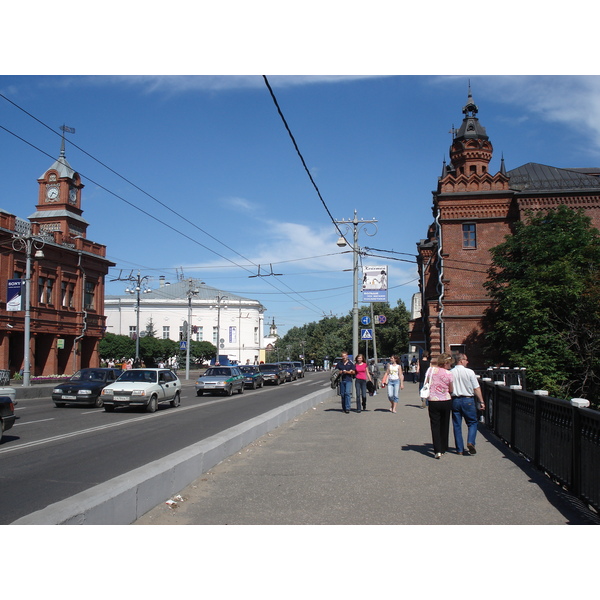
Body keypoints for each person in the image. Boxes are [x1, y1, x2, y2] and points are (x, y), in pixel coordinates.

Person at [451, 353, 485, 456]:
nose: (467, 361)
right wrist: (481, 401)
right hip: (468, 400)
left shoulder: (450, 372)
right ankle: (470, 442)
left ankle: (459, 449)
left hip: (455, 400)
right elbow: (476, 388)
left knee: (457, 425)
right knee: (472, 423)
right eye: (466, 360)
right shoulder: (470, 372)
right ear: (461, 360)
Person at [426, 353, 454, 459]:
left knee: (435, 425)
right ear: (446, 363)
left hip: (433, 400)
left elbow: (428, 383)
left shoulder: (431, 370)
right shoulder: (449, 374)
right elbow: (451, 389)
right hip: (446, 400)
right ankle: (443, 447)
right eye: (450, 364)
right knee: (444, 424)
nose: (450, 366)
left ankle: (437, 450)